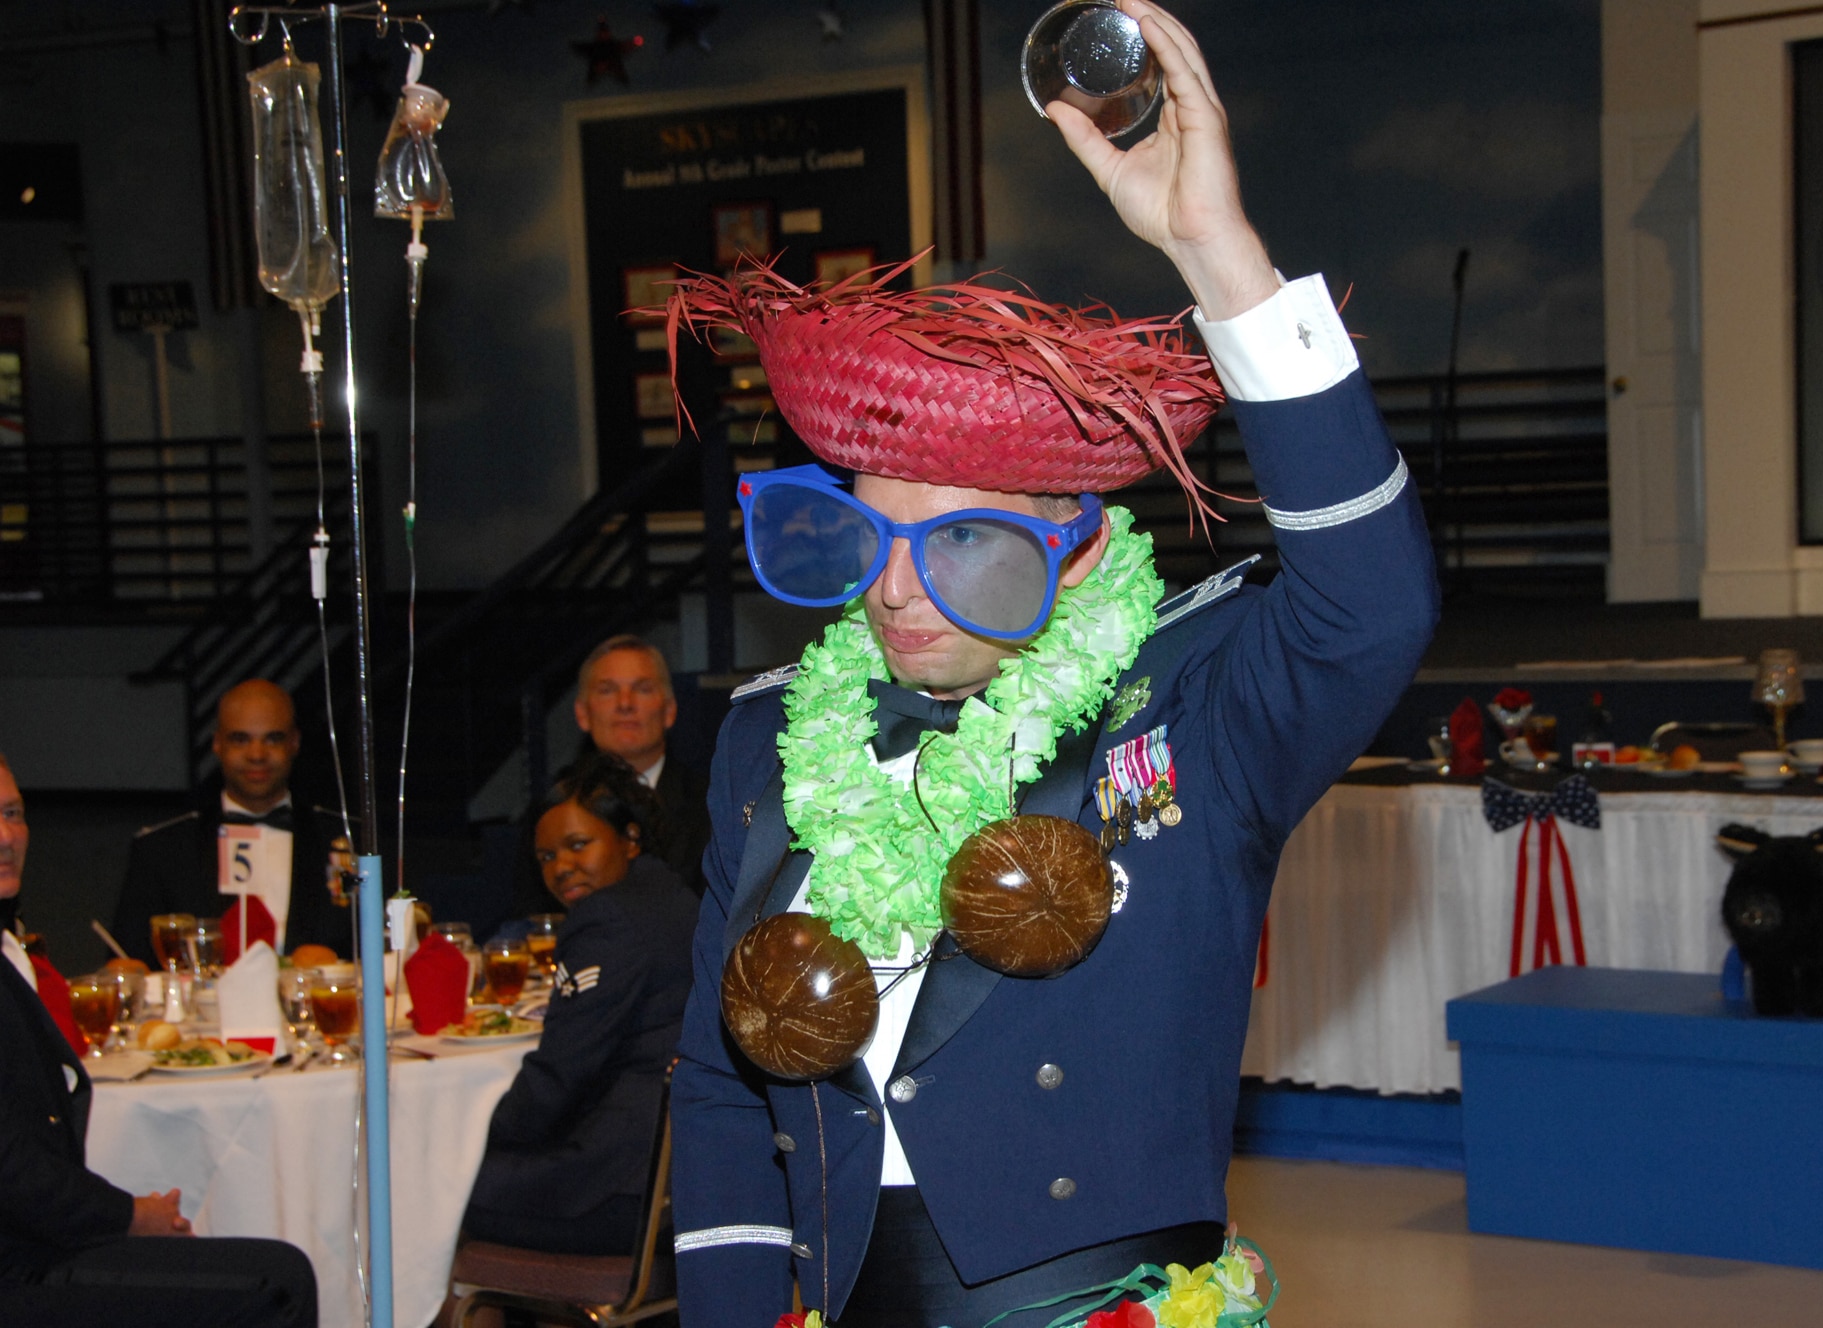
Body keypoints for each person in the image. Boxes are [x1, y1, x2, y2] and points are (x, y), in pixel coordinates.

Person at [667, 5, 1436, 1325]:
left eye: (963, 546)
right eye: (858, 534)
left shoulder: (1193, 716)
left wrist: (1218, 254)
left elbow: (1371, 609)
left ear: (1075, 553)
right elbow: (716, 1081)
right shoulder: (766, 739)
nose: (894, 589)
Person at [0, 754, 319, 1328]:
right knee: (279, 1281)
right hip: (16, 1266)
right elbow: (11, 1168)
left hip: (36, 1239)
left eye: (13, 813)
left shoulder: (9, 948)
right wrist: (128, 1216)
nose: (5, 836)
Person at [464, 752, 701, 1255]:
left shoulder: (606, 920)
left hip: (615, 1190)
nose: (561, 868)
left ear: (629, 838)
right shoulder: (673, 895)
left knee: (431, 1191)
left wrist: (475, 1138)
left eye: (577, 846)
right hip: (677, 1186)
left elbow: (558, 1078)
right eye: (546, 857)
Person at [109, 679, 352, 964]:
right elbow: (127, 963)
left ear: (294, 743)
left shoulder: (349, 840)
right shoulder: (161, 850)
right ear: (217, 744)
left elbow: (383, 959)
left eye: (273, 739)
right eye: (240, 739)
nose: (257, 754)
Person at [508, 637, 706, 921]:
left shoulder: (712, 804)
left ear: (670, 710)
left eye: (642, 689)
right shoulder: (550, 810)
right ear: (582, 713)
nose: (625, 704)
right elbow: (534, 917)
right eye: (607, 690)